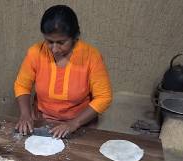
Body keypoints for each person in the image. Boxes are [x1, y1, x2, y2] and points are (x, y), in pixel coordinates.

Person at [14, 5, 112, 138]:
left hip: (80, 123)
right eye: (49, 41)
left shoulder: (91, 56)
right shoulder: (35, 53)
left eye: (61, 42)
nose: (54, 49)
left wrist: (74, 123)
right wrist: (25, 115)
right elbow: (22, 85)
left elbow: (103, 97)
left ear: (75, 37)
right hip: (42, 120)